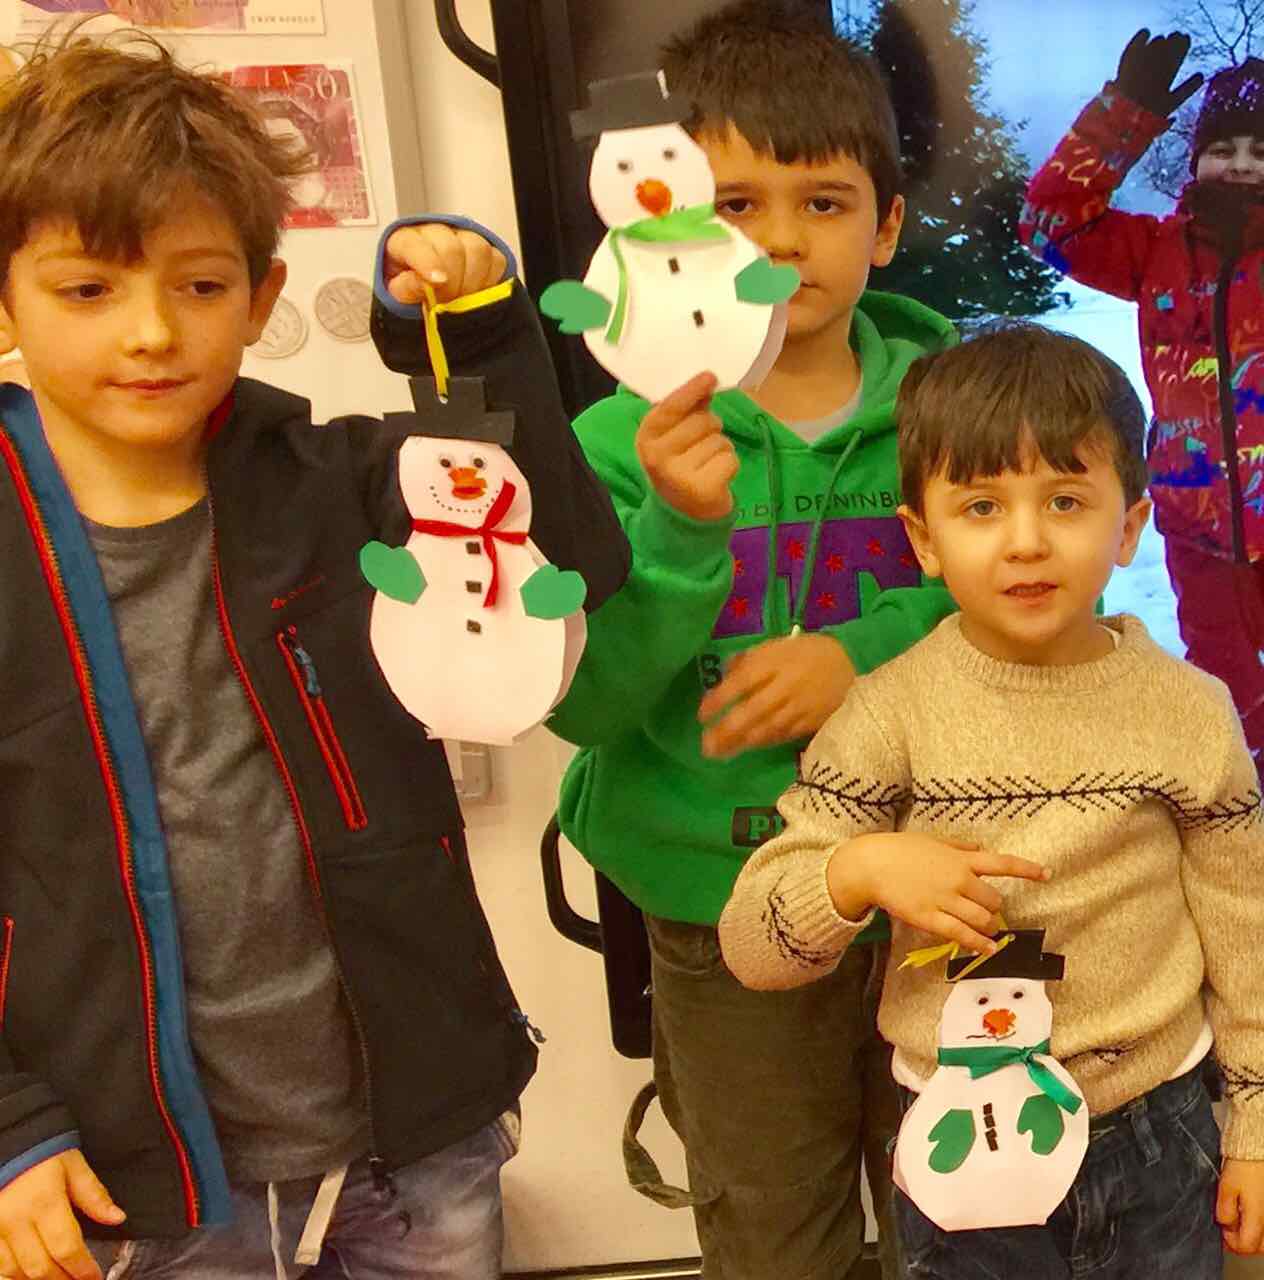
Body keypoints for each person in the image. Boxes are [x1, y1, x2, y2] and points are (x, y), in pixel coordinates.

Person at [0, 27, 627, 1280]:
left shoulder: (341, 482)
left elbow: (568, 560)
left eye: (198, 285)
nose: (150, 332)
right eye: (88, 289)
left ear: (261, 295)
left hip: (415, 1144)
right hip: (131, 1181)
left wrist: (479, 335)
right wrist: (13, 1127)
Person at [545, 2, 957, 1275]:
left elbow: (1027, 608)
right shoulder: (613, 445)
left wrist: (859, 653)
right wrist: (677, 532)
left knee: (963, 1213)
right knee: (774, 1229)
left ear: (885, 226)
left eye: (823, 203)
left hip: (932, 892)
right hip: (717, 908)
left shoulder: (953, 414)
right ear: (665, 224)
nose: (780, 241)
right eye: (733, 205)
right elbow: (579, 702)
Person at [719, 323, 1264, 1274]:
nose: (1025, 542)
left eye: (1065, 501)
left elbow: (1246, 921)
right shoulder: (886, 715)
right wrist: (855, 871)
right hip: (960, 1141)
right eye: (980, 506)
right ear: (923, 539)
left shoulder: (1188, 711)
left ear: (1128, 526)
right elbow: (753, 946)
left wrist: (1254, 1124)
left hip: (1158, 1130)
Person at [1020, 29, 1264, 778]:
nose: (1241, 165)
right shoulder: (1157, 249)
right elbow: (1050, 225)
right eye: (1223, 149)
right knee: (1225, 682)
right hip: (1198, 523)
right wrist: (1120, 121)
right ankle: (1240, 792)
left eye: (1260, 152)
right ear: (1195, 160)